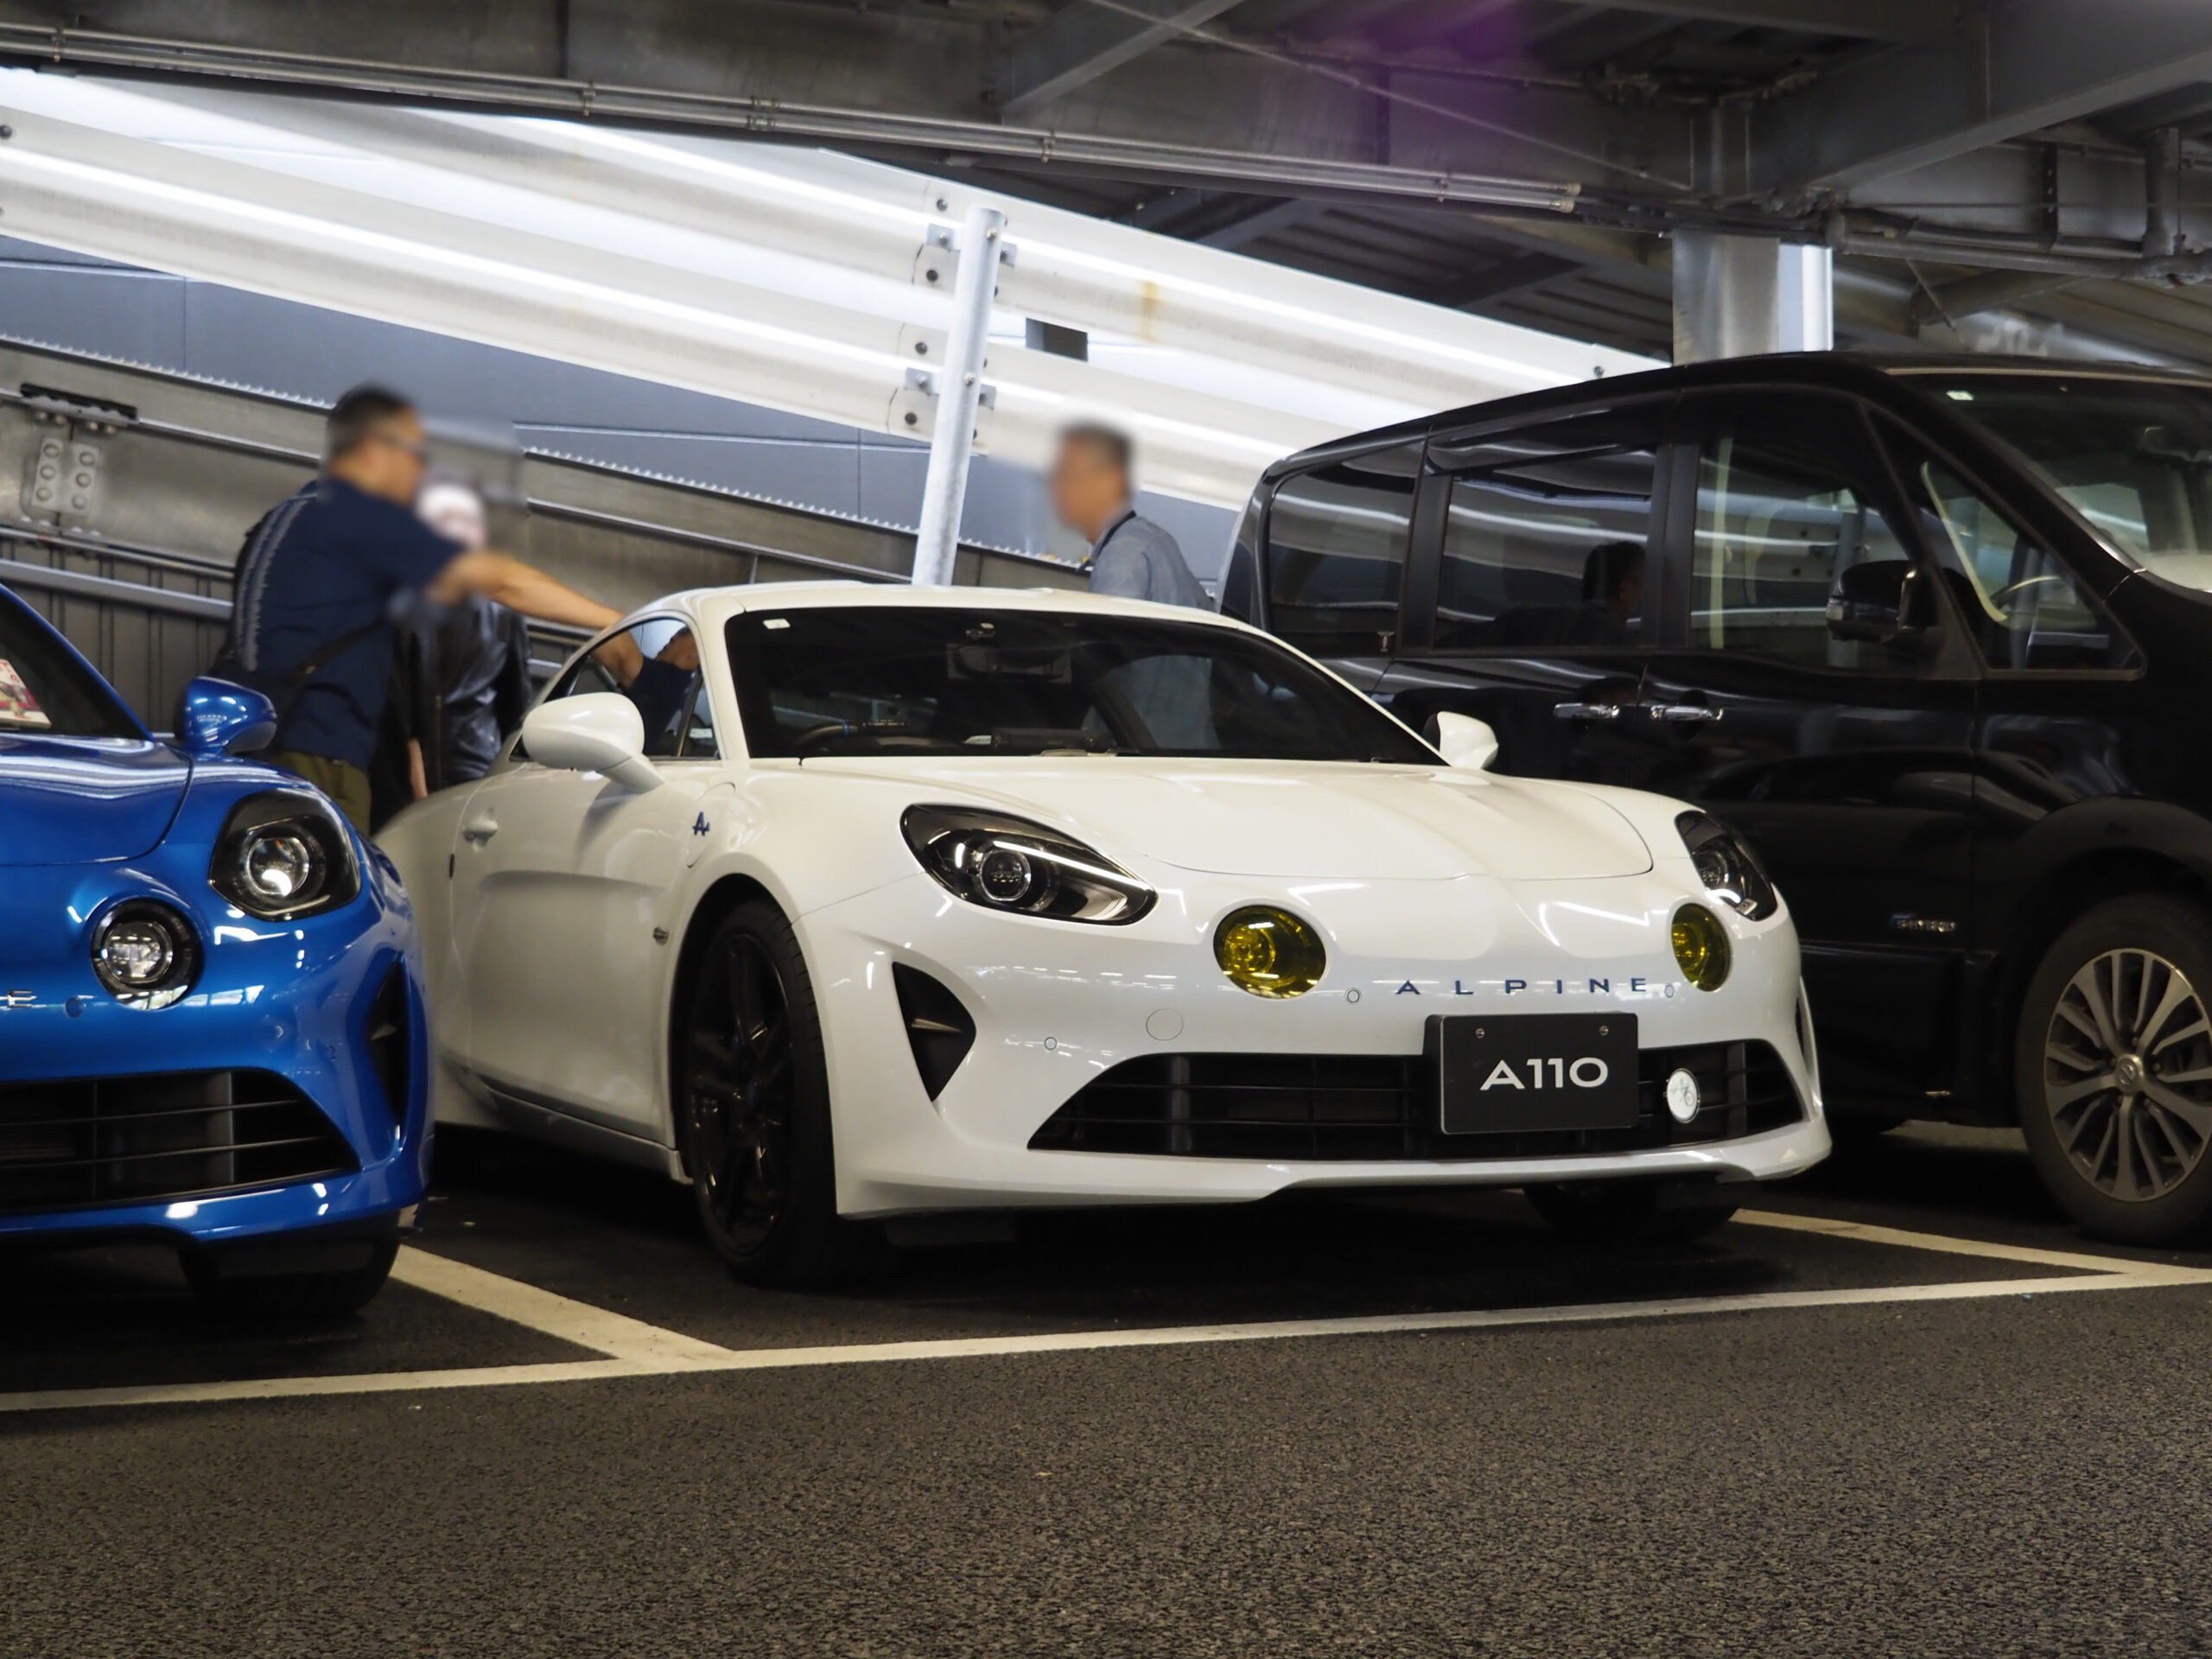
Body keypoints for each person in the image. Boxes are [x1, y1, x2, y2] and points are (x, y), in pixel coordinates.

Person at [219, 385, 630, 831]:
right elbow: (504, 581)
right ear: (374, 450)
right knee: (325, 874)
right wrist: (614, 622)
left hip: (249, 749)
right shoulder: (359, 517)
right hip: (316, 760)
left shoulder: (282, 520)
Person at [1049, 424, 1206, 609]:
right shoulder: (1151, 538)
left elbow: (1110, 627)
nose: (1056, 489)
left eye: (1069, 476)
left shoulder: (1122, 558)